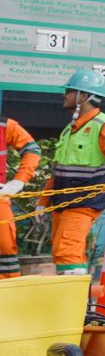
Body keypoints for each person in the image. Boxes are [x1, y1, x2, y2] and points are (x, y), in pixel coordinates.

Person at [43, 70, 105, 275]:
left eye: (69, 91)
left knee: (68, 251)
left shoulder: (104, 124)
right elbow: (59, 169)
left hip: (82, 202)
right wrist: (43, 201)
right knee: (61, 251)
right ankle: (76, 301)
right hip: (62, 202)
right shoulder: (70, 129)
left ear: (83, 96)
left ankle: (73, 304)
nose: (64, 95)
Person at [0, 115, 42, 278]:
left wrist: (18, 181)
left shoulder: (4, 125)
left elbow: (32, 150)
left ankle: (8, 297)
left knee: (5, 247)